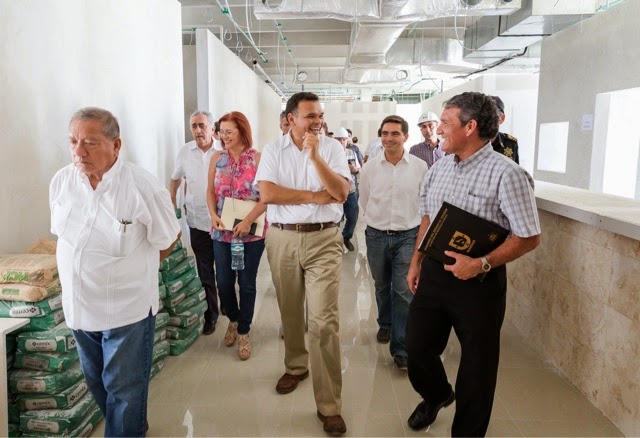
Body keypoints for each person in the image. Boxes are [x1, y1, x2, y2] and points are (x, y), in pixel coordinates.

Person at [405, 92, 541, 436]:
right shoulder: (439, 168)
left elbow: (529, 237)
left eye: (446, 122)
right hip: (434, 272)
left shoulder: (508, 174)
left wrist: (480, 264)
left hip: (480, 283)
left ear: (470, 126)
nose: (439, 129)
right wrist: (416, 260)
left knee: (477, 367)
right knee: (417, 348)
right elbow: (427, 218)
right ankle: (436, 394)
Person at [50, 107, 180, 437]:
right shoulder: (62, 182)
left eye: (90, 142)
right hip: (80, 311)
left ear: (116, 145)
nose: (79, 151)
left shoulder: (142, 186)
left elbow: (168, 238)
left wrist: (136, 269)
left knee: (123, 393)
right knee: (100, 386)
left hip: (127, 313)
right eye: (73, 141)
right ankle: (132, 425)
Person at [256, 91, 350, 436]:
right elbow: (267, 193)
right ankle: (296, 366)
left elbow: (340, 192)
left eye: (319, 115)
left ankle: (329, 405)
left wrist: (315, 156)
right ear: (291, 118)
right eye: (310, 116)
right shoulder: (272, 149)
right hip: (281, 237)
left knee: (324, 321)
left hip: (324, 239)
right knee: (290, 310)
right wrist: (312, 196)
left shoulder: (332, 148)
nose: (317, 121)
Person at [359, 115, 427, 370]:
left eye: (395, 134)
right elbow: (364, 200)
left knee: (403, 289)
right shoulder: (370, 167)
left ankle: (400, 348)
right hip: (376, 235)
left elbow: (425, 204)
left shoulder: (420, 167)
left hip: (407, 235)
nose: (389, 138)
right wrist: (377, 222)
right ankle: (385, 323)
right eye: (385, 133)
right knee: (380, 284)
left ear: (405, 137)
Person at [206, 111, 266, 361]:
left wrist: (248, 220)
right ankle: (232, 317)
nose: (224, 136)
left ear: (243, 131)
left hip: (250, 233)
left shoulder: (258, 159)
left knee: (247, 283)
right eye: (221, 131)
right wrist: (212, 215)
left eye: (229, 131)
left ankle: (243, 330)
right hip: (222, 233)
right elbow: (210, 192)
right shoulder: (216, 159)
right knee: (224, 282)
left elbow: (267, 197)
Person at [170, 110, 221, 335]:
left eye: (202, 125)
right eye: (194, 126)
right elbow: (175, 177)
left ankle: (232, 308)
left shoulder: (223, 150)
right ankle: (211, 314)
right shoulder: (185, 152)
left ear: (212, 128)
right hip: (198, 221)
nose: (198, 130)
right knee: (205, 270)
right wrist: (173, 200)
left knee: (228, 271)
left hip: (223, 223)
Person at [334, 127, 360, 252]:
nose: (340, 142)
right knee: (335, 219)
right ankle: (334, 242)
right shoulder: (329, 154)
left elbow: (358, 168)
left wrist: (354, 169)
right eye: (338, 139)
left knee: (353, 217)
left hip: (351, 191)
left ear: (346, 141)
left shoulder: (351, 153)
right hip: (334, 192)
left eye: (343, 140)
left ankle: (346, 237)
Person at [490, 96, 519, 164]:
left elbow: (516, 170)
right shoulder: (473, 141)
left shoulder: (510, 143)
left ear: (502, 118)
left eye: (493, 115)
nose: (487, 119)